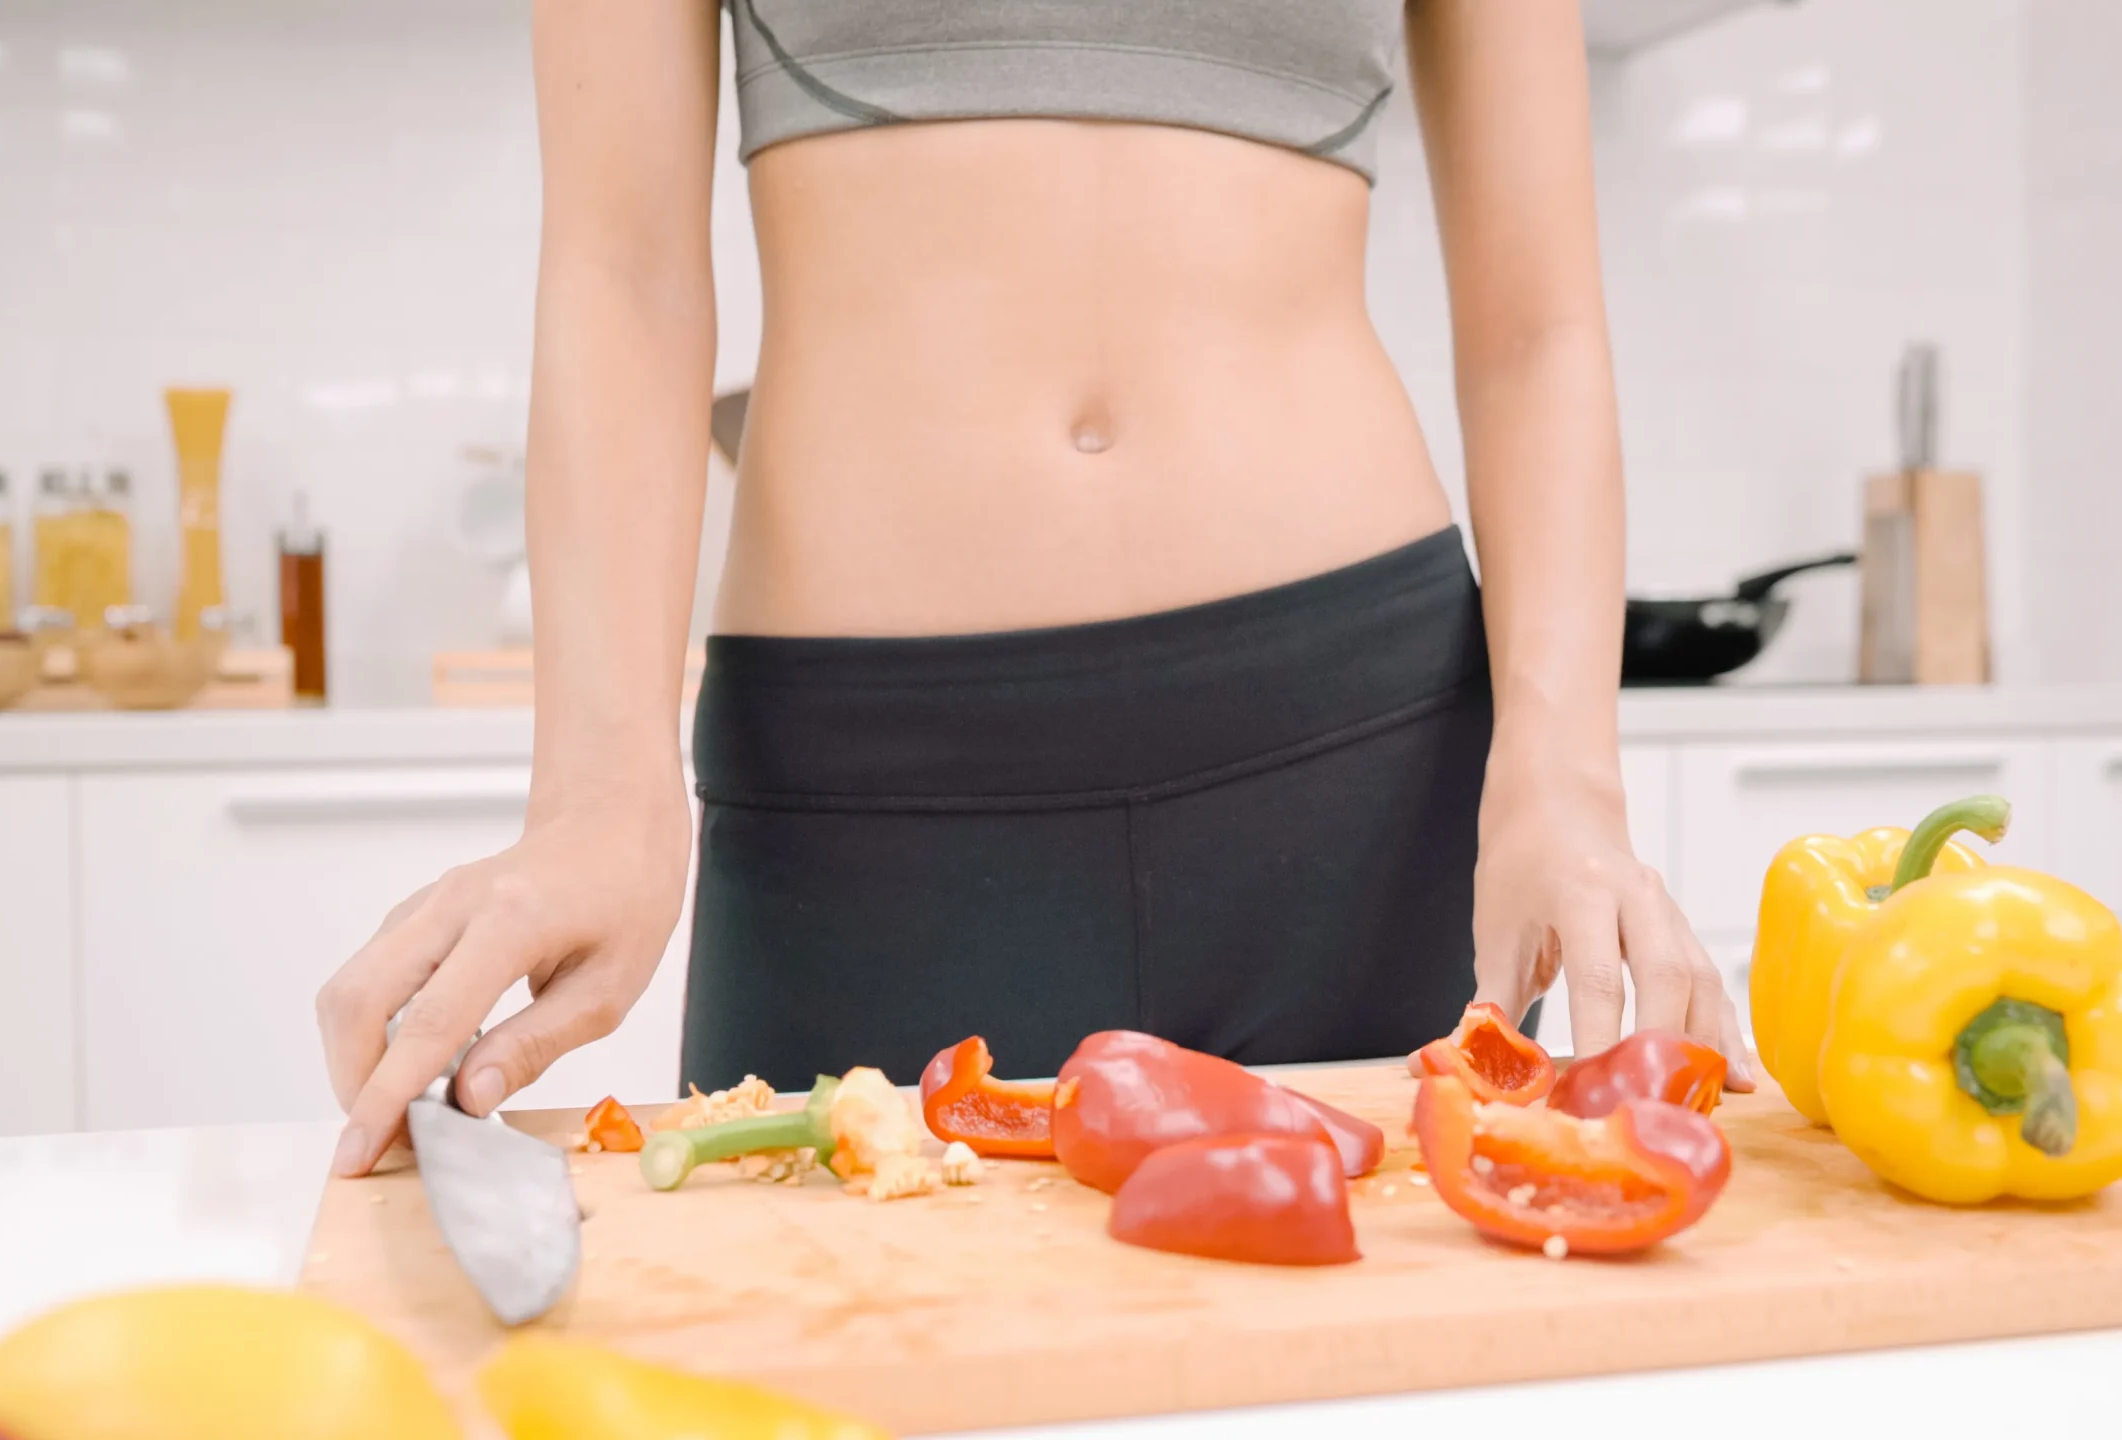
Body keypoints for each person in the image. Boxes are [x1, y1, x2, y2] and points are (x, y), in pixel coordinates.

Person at [317, 0, 1753, 1178]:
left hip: (1359, 770)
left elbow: (1538, 325)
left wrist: (1565, 775)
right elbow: (619, 271)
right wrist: (597, 787)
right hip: (867, 799)